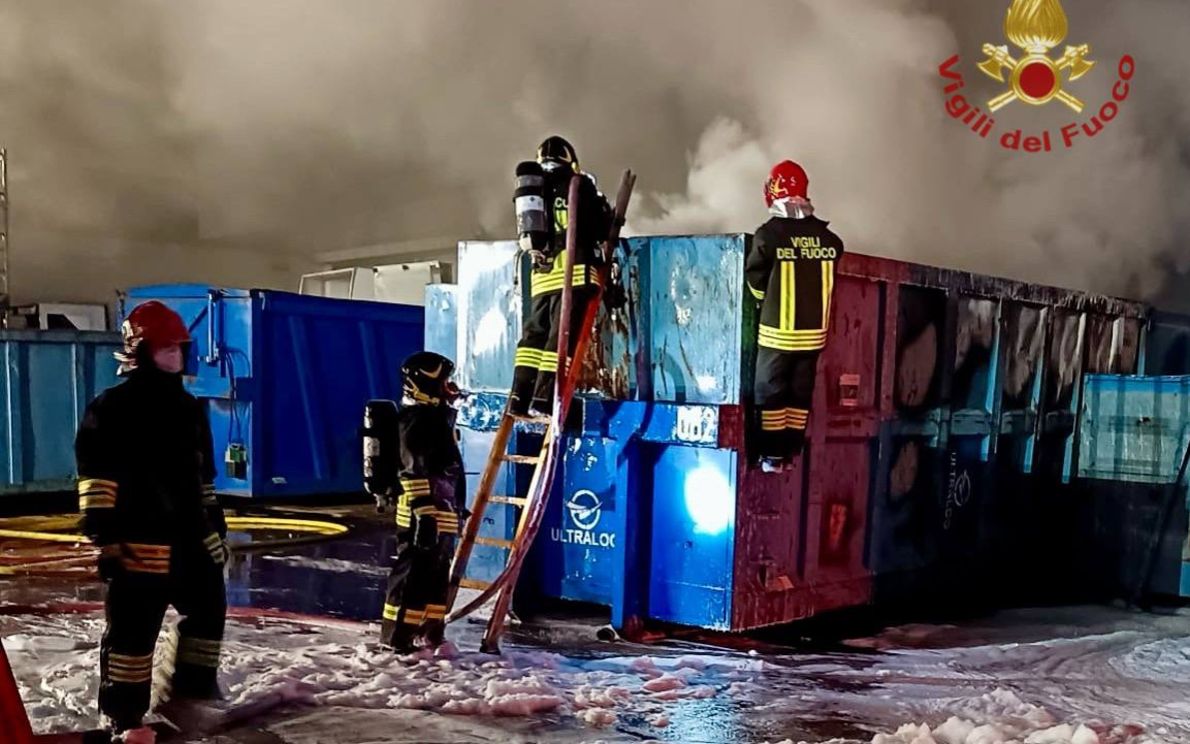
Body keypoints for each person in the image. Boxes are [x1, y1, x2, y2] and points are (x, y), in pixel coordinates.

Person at [75, 300, 228, 741]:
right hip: (141, 540)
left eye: (179, 349)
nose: (175, 357)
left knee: (208, 614)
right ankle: (124, 718)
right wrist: (104, 538)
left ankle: (191, 693)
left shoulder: (189, 408)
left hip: (192, 539)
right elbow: (97, 478)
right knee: (132, 633)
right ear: (140, 352)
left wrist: (214, 528)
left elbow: (203, 478)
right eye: (165, 349)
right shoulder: (111, 407)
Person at [745, 160, 845, 473]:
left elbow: (755, 280)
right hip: (813, 336)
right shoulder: (829, 241)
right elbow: (836, 250)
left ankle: (773, 456)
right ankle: (790, 451)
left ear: (773, 191)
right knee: (799, 395)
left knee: (771, 393)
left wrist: (766, 302)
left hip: (777, 334)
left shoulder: (768, 236)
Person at [365, 351, 465, 652]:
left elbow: (448, 470)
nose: (450, 386)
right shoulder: (416, 420)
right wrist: (424, 515)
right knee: (412, 575)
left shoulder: (435, 418)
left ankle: (429, 631)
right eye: (445, 381)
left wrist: (456, 510)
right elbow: (411, 470)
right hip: (423, 514)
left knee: (435, 578)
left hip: (442, 512)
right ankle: (396, 638)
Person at [509, 135, 613, 417]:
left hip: (542, 275)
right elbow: (600, 228)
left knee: (533, 339)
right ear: (571, 160)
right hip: (573, 273)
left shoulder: (534, 190)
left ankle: (518, 398)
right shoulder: (578, 184)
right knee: (560, 340)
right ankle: (544, 401)